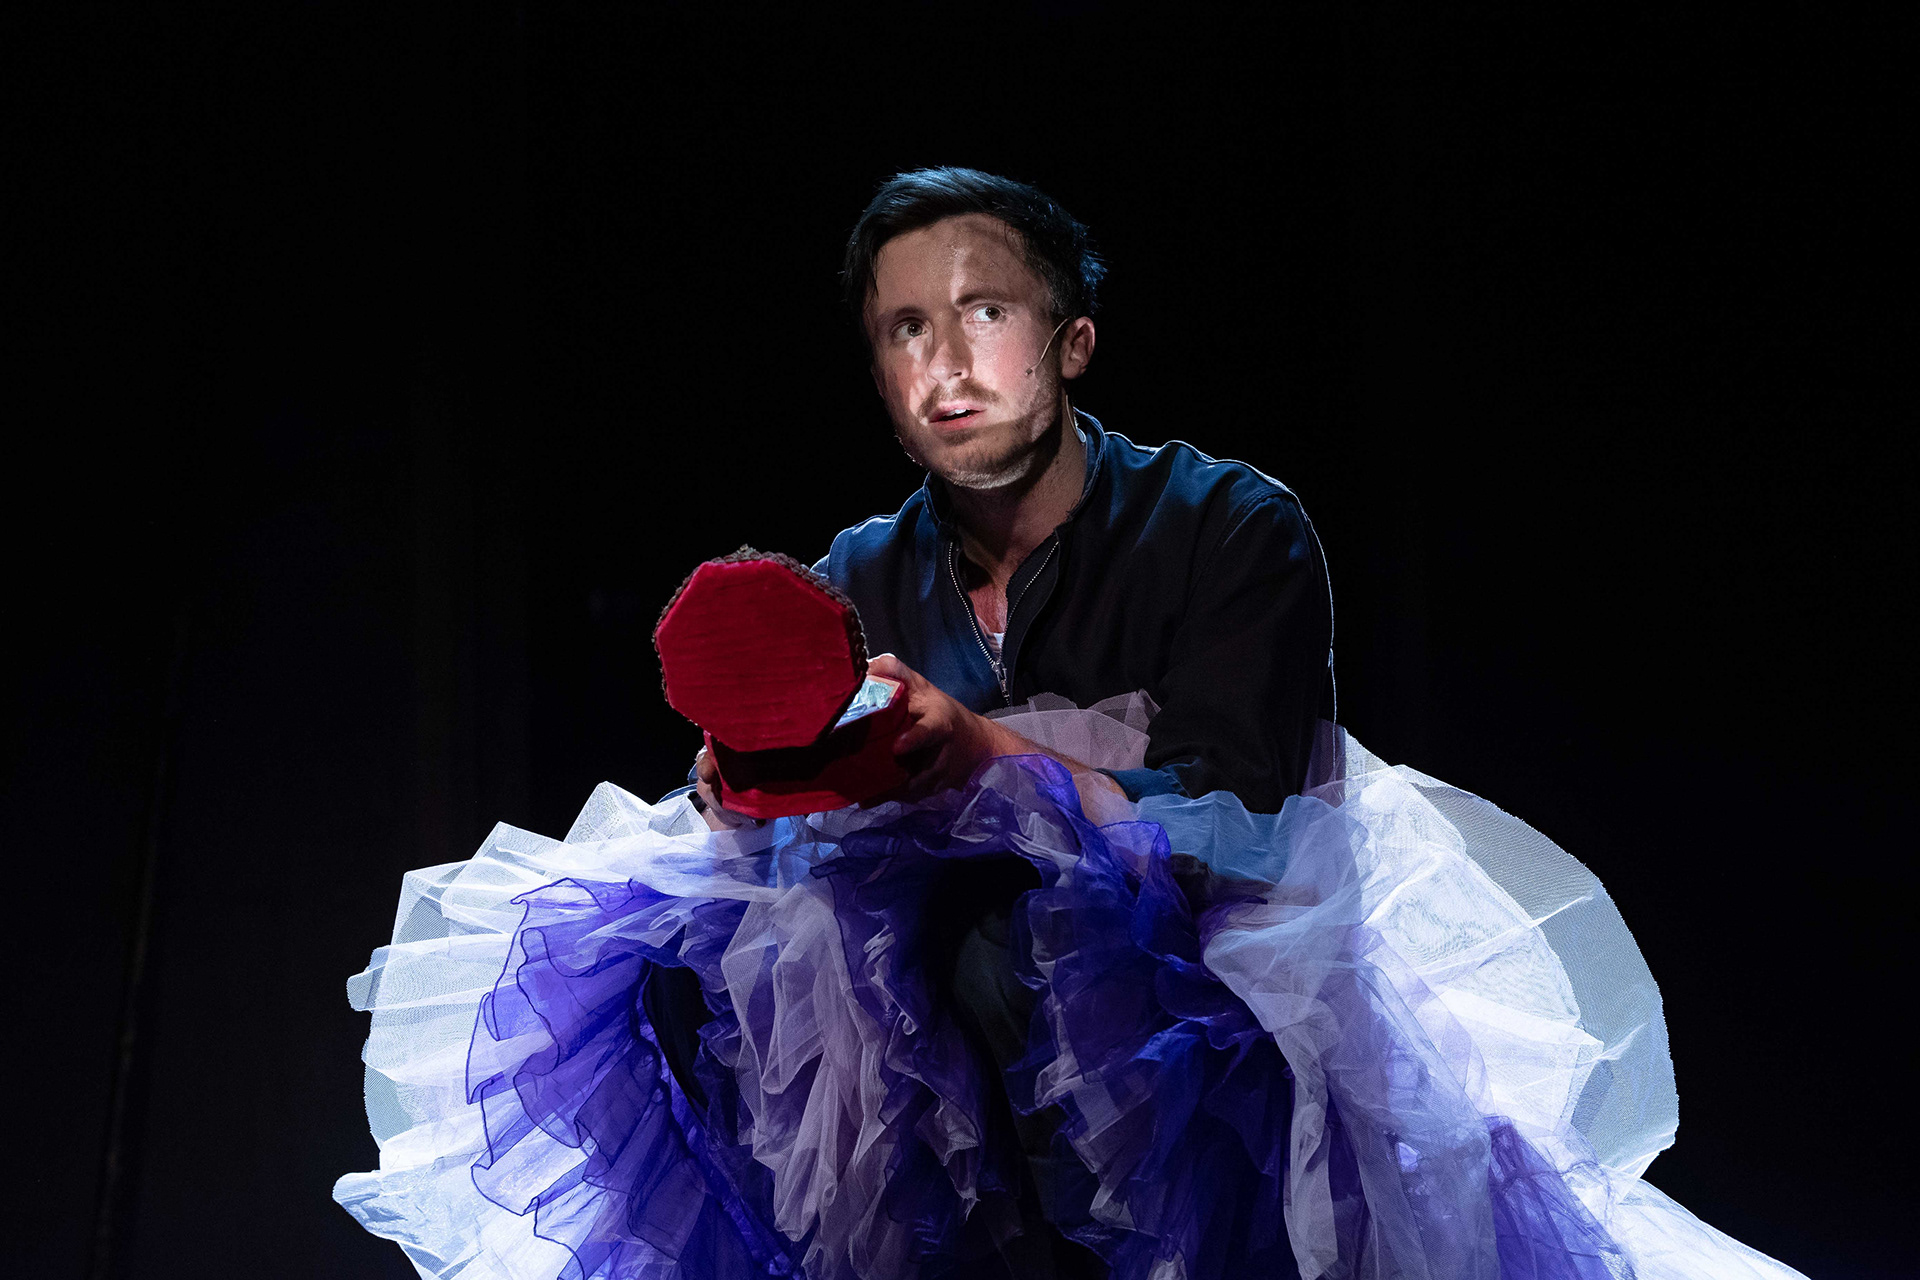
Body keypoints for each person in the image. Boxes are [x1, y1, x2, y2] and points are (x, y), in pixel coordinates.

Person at [336, 169, 1808, 1280]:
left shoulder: (1229, 527)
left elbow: (1248, 839)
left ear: (1073, 340)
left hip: (1225, 1012)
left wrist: (987, 760)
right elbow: (823, 828)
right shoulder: (862, 574)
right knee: (666, 954)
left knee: (1015, 954)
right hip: (931, 1044)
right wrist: (759, 789)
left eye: (985, 313)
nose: (946, 364)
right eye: (905, 329)